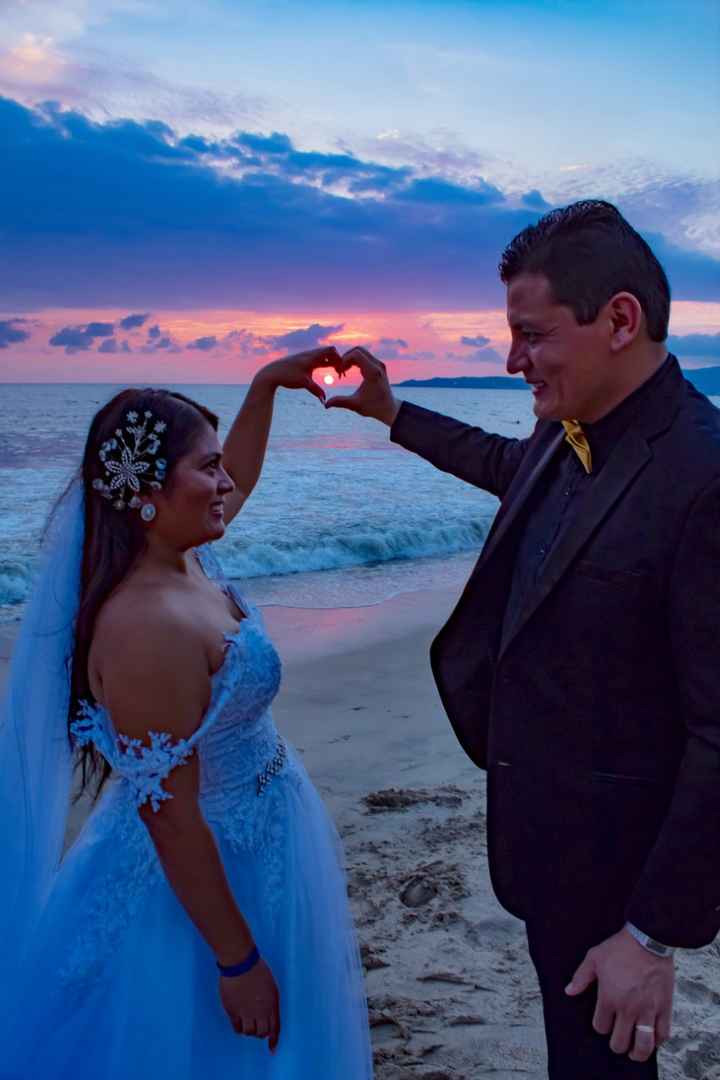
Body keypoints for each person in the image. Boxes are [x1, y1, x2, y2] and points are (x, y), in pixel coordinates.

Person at [326, 200, 720, 1078]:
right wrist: (394, 414)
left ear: (620, 320)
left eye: (531, 335)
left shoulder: (705, 474)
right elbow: (511, 471)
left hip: (626, 873)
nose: (512, 362)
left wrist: (653, 935)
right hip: (550, 840)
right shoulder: (567, 426)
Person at [0, 348, 373, 1079]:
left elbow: (240, 479)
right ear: (147, 492)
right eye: (207, 468)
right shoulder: (145, 624)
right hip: (196, 885)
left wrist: (267, 386)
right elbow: (171, 815)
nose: (226, 483)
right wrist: (236, 961)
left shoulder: (181, 557)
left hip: (260, 834)